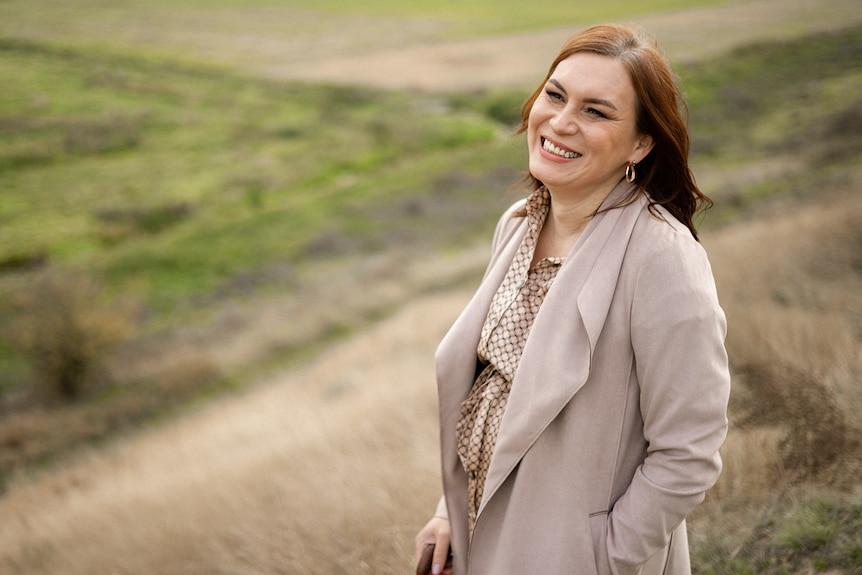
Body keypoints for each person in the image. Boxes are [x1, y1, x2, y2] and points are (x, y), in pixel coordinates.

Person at [414, 23, 731, 575]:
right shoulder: (517, 225)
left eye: (596, 111)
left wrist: (602, 558)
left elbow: (689, 452)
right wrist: (450, 511)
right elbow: (494, 395)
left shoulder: (661, 256)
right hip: (486, 543)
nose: (560, 122)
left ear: (640, 143)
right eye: (555, 95)